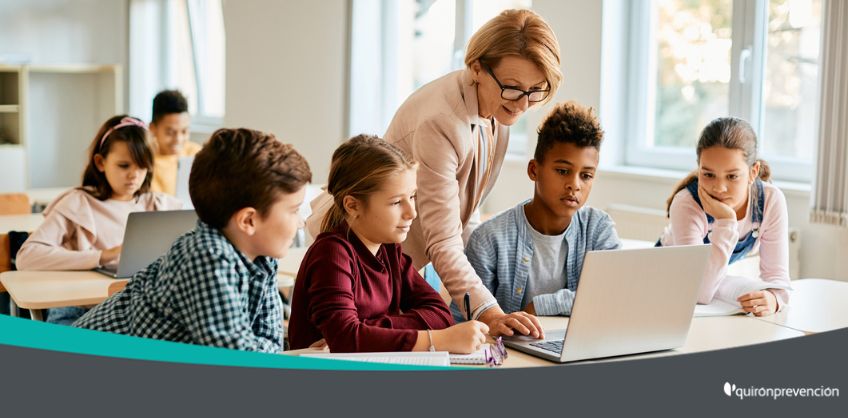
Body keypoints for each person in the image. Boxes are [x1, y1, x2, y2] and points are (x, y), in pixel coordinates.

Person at [310, 9, 563, 337]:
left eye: (536, 90)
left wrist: (489, 303)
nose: (523, 104)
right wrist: (490, 312)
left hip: (397, 263)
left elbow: (464, 219)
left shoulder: (498, 112)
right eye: (513, 88)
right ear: (477, 68)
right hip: (357, 258)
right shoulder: (442, 121)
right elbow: (444, 239)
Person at [75, 128, 312, 352]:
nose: (301, 221)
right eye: (294, 210)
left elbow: (269, 344)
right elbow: (238, 361)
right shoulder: (207, 256)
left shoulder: (262, 257)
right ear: (248, 220)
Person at [289, 135, 489, 353]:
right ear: (352, 205)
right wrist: (436, 340)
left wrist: (366, 332)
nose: (411, 213)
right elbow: (345, 339)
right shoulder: (331, 254)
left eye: (412, 197)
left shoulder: (389, 250)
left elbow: (440, 314)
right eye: (396, 202)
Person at [17, 115, 182, 324]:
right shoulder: (78, 203)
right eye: (124, 166)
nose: (134, 175)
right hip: (79, 309)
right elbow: (27, 257)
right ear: (100, 162)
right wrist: (103, 256)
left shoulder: (160, 205)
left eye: (142, 167)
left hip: (135, 309)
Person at [466, 102, 621, 316]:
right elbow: (463, 321)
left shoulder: (598, 228)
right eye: (562, 170)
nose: (574, 185)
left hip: (581, 348)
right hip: (509, 350)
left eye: (586, 175)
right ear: (533, 170)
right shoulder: (489, 240)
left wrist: (540, 306)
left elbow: (612, 293)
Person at [658, 117, 790, 316]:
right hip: (668, 280)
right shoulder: (686, 203)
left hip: (709, 281)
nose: (719, 188)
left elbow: (777, 277)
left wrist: (774, 298)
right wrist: (726, 221)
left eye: (732, 176)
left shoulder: (771, 201)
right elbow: (699, 292)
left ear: (753, 172)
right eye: (708, 174)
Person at [148, 89, 202, 195]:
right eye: (170, 132)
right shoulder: (145, 162)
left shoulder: (197, 153)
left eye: (184, 131)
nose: (178, 139)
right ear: (153, 128)